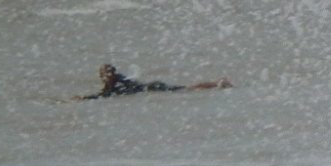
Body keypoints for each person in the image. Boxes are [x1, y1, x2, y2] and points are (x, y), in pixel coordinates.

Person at [79, 63, 232, 99]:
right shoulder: (120, 80)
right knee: (186, 88)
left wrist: (82, 98)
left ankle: (217, 84)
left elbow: (103, 96)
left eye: (104, 74)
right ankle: (216, 83)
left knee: (187, 89)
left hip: (152, 89)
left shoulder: (115, 84)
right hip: (152, 86)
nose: (103, 77)